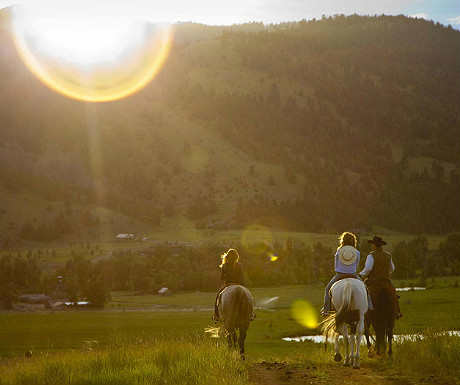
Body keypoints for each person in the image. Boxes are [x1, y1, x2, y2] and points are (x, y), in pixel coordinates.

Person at [321, 231, 363, 316]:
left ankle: (327, 309)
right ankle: (369, 306)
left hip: (340, 274)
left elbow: (336, 265)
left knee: (328, 289)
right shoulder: (357, 252)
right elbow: (356, 265)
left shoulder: (339, 251)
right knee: (365, 289)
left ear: (343, 240)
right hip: (353, 275)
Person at [360, 236, 402, 319]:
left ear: (374, 245)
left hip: (373, 279)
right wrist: (384, 273)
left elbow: (368, 268)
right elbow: (392, 268)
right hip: (386, 279)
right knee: (393, 293)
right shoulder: (388, 255)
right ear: (381, 245)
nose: (372, 246)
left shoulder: (371, 255)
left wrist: (361, 274)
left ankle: (364, 311)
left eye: (372, 244)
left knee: (361, 290)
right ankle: (397, 311)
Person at [212, 248, 253, 322]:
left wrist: (227, 278)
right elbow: (241, 278)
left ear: (227, 256)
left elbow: (221, 278)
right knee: (248, 297)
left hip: (227, 284)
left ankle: (216, 316)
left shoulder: (224, 266)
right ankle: (251, 314)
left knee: (217, 298)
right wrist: (245, 288)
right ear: (236, 257)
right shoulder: (239, 265)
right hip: (238, 283)